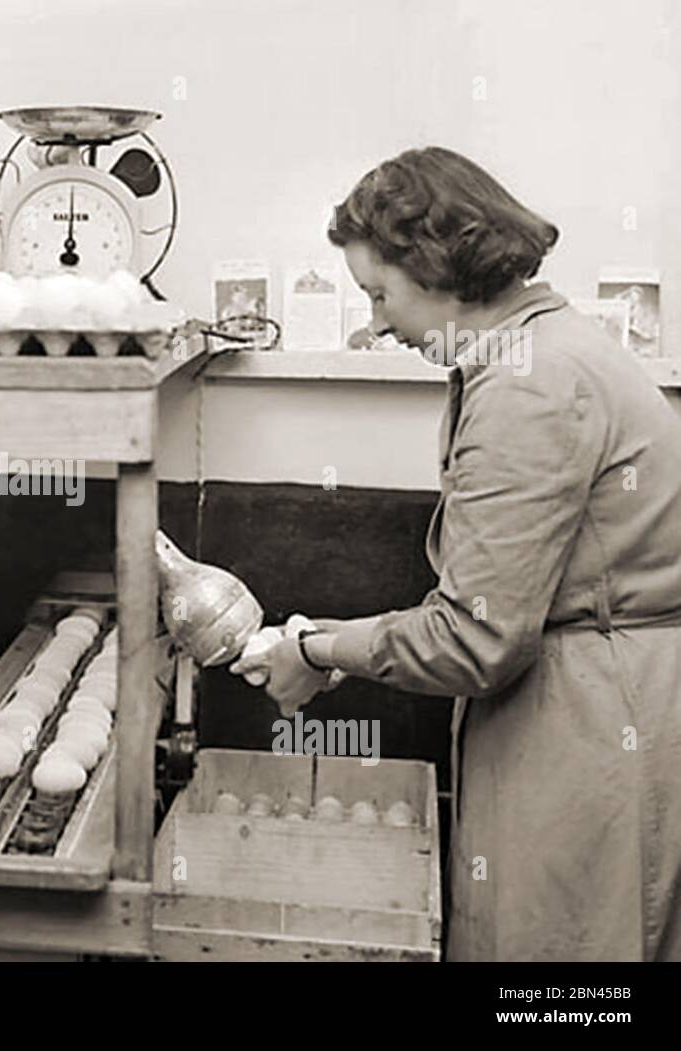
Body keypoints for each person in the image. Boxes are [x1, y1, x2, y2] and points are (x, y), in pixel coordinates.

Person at [232, 147, 681, 961]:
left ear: (436, 266)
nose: (374, 321)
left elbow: (478, 637)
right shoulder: (537, 350)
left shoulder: (530, 384)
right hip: (583, 695)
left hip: (591, 726)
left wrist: (314, 649)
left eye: (379, 293)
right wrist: (338, 645)